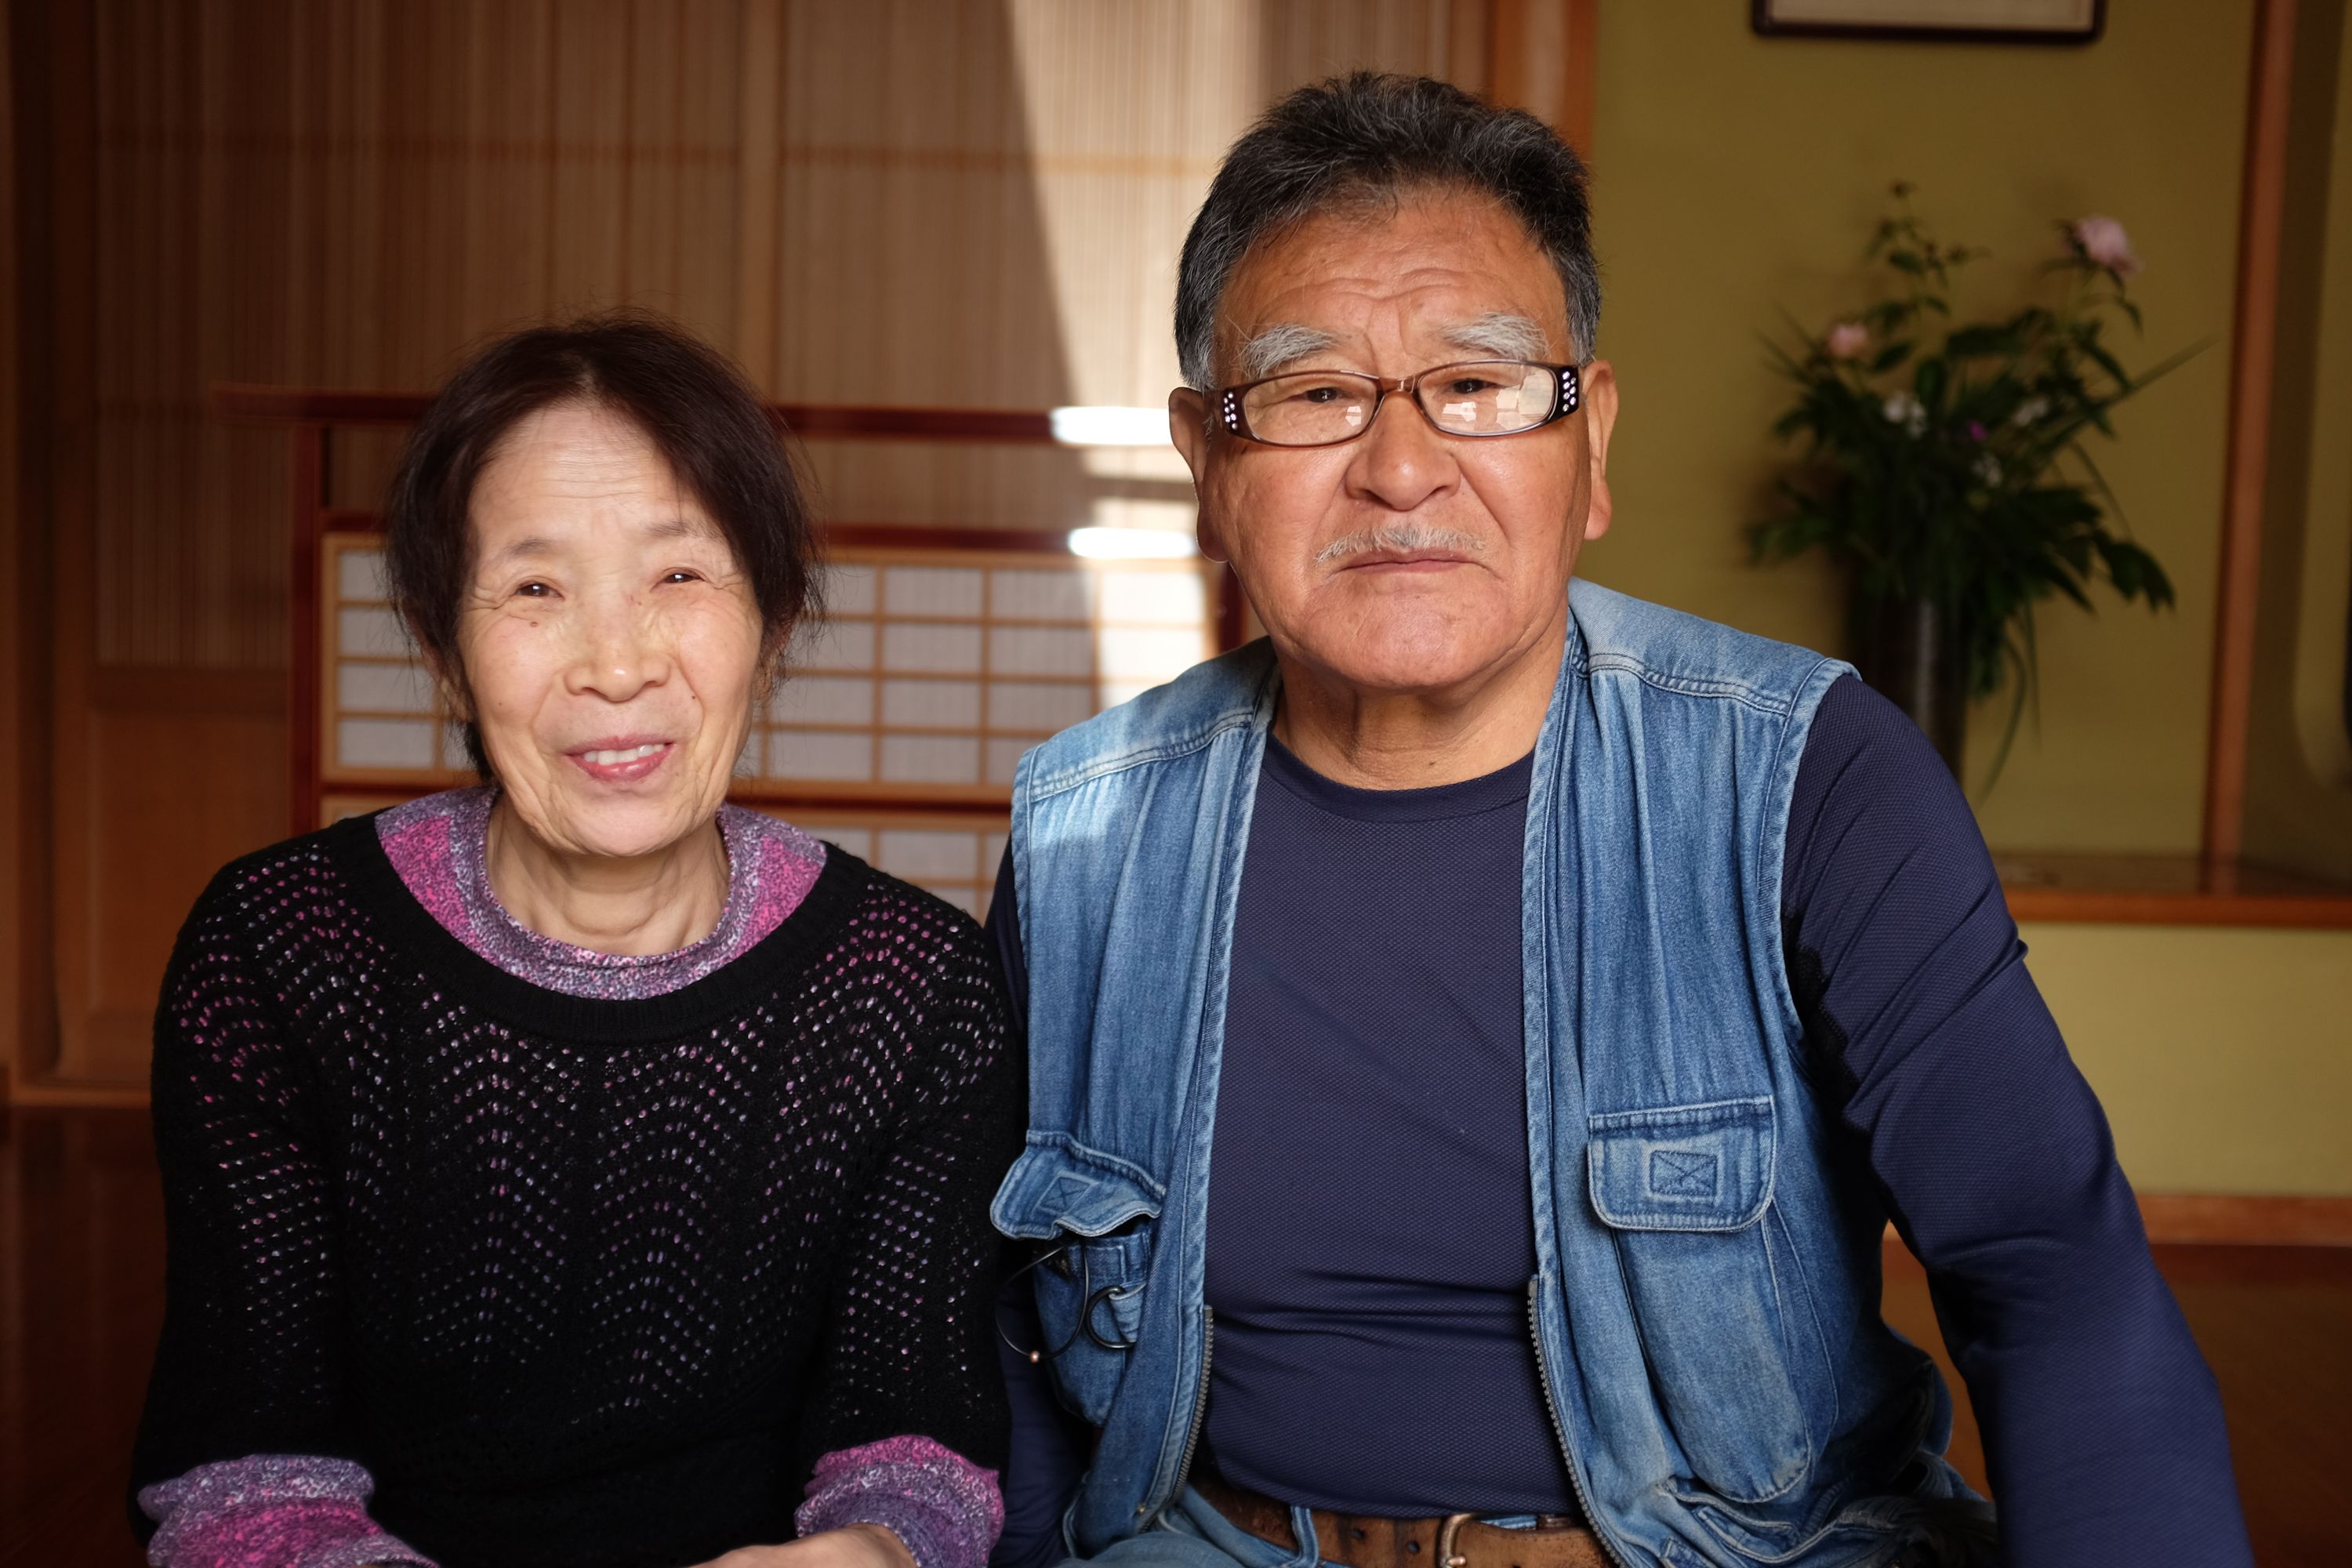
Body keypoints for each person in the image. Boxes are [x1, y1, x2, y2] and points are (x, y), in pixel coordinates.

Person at [985, 74, 2250, 1568]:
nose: (1400, 469)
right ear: (1210, 454)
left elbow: (2048, 1266)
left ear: (1591, 447)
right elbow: (1002, 1350)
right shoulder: (1085, 834)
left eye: (1484, 385)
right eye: (1318, 393)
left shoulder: (1807, 777)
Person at [129, 314, 1021, 1568]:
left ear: (769, 626)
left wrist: (875, 1550)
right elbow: (244, 1471)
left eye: (678, 575)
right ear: (445, 653)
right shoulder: (284, 952)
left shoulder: (910, 987)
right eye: (536, 589)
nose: (617, 664)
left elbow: (916, 1440)